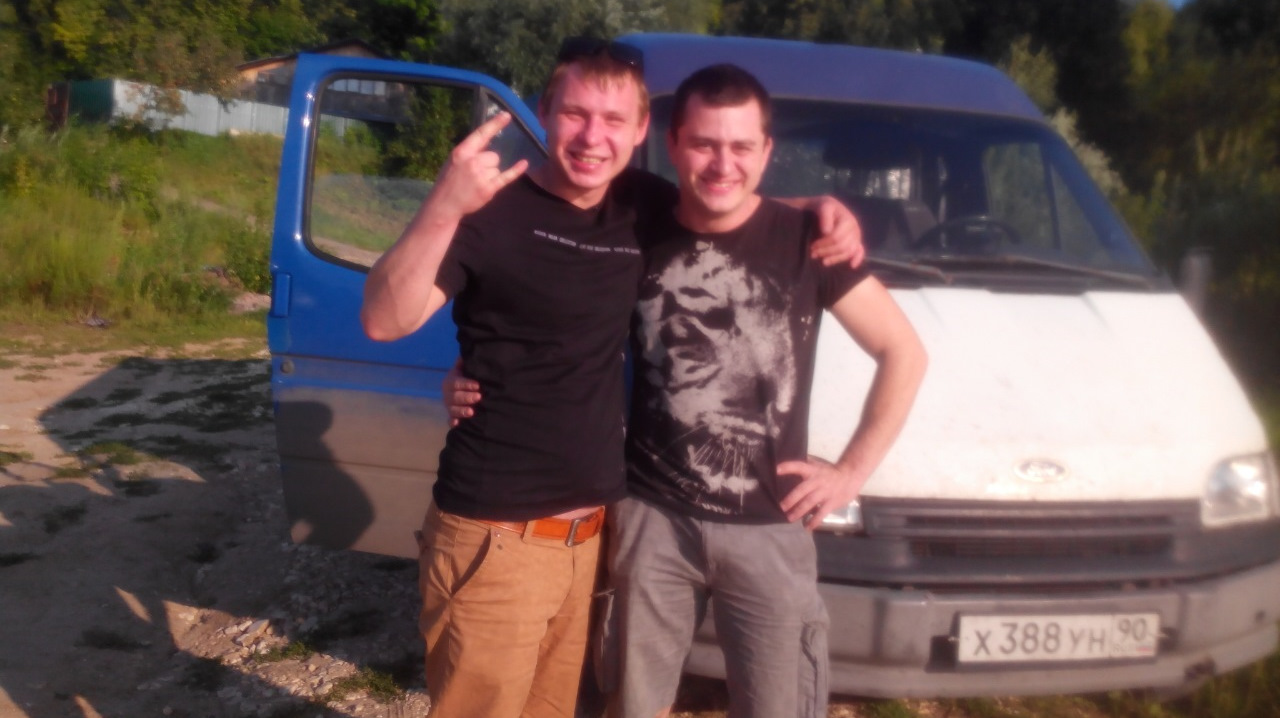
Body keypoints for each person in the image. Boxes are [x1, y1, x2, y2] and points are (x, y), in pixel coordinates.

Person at [360, 39, 864, 718]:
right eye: (575, 114)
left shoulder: (639, 204)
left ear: (640, 130)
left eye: (613, 120)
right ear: (545, 113)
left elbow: (725, 198)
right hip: (495, 533)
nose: (592, 137)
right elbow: (383, 320)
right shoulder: (490, 210)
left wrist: (821, 210)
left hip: (593, 542)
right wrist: (443, 206)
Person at [607, 64, 927, 718]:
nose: (723, 163)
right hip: (653, 520)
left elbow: (904, 353)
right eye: (705, 144)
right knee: (632, 705)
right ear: (674, 144)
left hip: (770, 530)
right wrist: (473, 361)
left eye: (741, 146)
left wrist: (851, 472)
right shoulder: (634, 223)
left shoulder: (811, 243)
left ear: (766, 151)